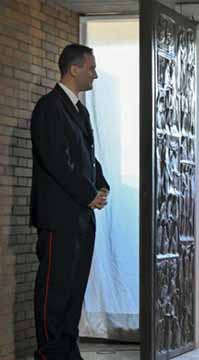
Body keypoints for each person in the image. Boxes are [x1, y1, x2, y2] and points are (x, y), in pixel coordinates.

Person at [30, 43, 110, 360]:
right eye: (91, 67)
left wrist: (101, 184)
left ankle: (67, 349)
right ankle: (50, 353)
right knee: (55, 290)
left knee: (74, 289)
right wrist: (88, 193)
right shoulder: (49, 107)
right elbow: (56, 161)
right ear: (73, 69)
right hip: (58, 217)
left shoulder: (79, 109)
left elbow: (87, 157)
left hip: (81, 217)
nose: (95, 74)